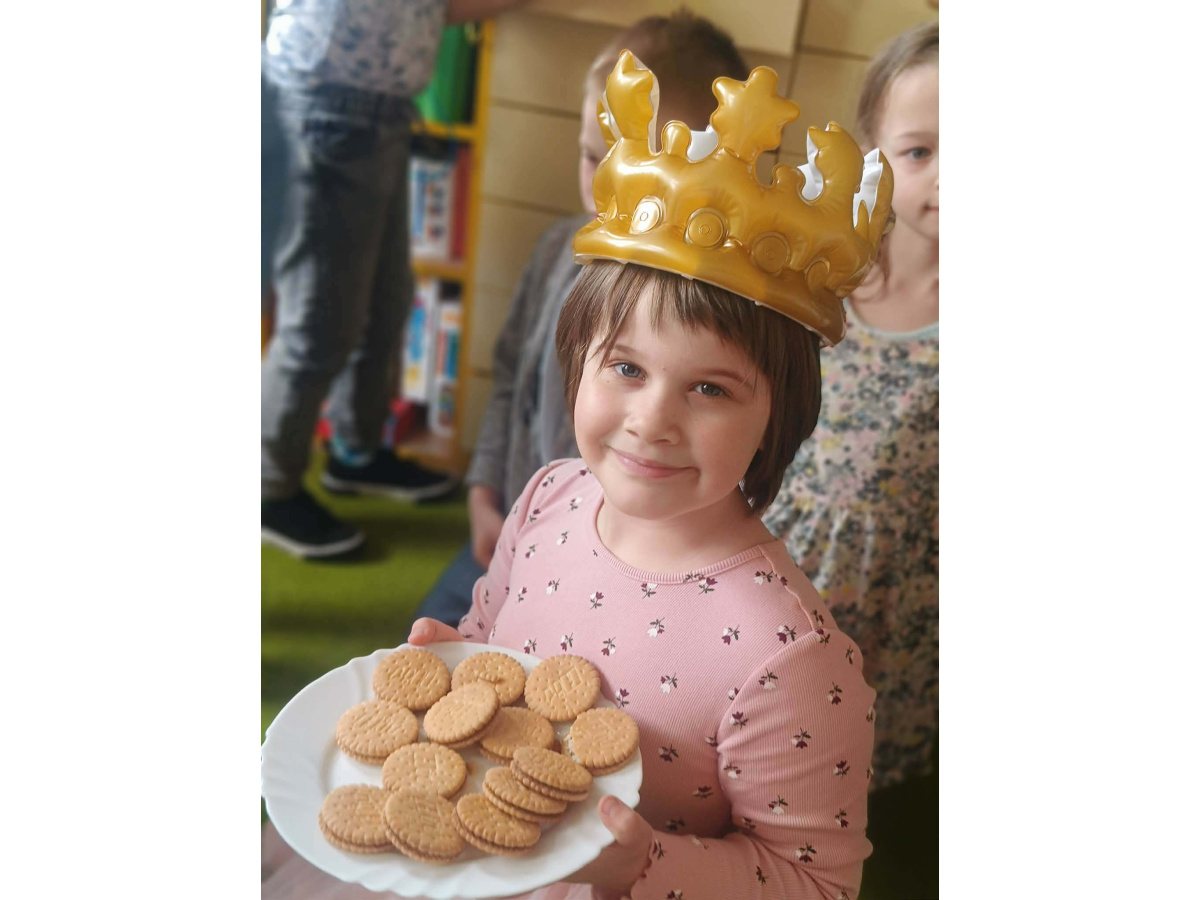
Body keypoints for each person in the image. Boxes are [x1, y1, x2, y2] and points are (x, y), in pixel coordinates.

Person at [260, 52, 894, 900]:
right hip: (470, 858)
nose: (652, 419)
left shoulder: (790, 658)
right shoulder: (550, 495)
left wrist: (643, 865)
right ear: (576, 361)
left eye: (710, 388)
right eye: (626, 368)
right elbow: (492, 632)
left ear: (780, 416)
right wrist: (458, 665)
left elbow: (814, 884)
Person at [413, 10, 749, 624]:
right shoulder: (555, 250)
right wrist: (483, 492)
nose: (607, 192)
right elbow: (510, 378)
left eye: (641, 171)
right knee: (422, 646)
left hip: (610, 570)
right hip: (510, 524)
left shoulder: (712, 309)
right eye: (595, 159)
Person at [260, 0, 530, 559]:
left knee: (385, 304)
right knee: (319, 320)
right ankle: (267, 487)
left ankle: (355, 452)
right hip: (325, 104)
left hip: (376, 112)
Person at [761, 21, 939, 792]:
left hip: (900, 592)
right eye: (920, 152)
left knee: (840, 761)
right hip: (782, 551)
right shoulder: (823, 274)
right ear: (876, 155)